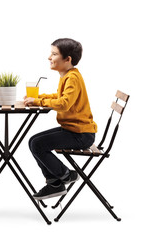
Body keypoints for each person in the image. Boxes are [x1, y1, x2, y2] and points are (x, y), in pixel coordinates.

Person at [24, 38, 97, 200]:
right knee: (33, 141)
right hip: (74, 131)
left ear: (67, 59)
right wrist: (39, 97)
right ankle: (54, 183)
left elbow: (64, 103)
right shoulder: (68, 76)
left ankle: (65, 176)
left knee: (37, 144)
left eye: (54, 54)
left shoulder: (72, 78)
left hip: (81, 134)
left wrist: (37, 101)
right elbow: (60, 96)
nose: (49, 57)